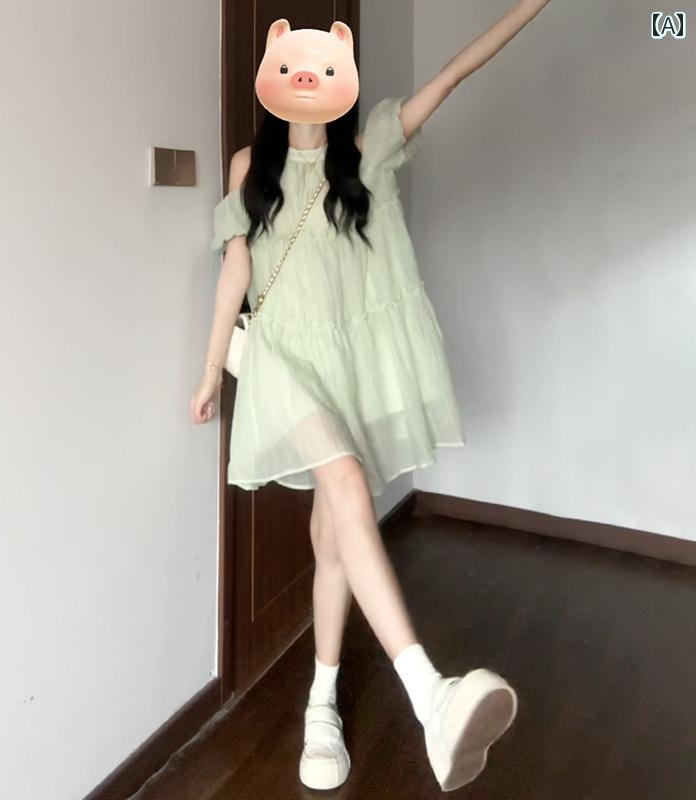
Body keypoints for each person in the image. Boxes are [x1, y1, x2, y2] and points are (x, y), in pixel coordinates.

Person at [191, 1, 552, 792]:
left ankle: (321, 703)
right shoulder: (250, 167)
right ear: (272, 75)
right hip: (285, 363)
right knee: (350, 487)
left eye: (324, 68)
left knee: (332, 536)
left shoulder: (369, 148)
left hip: (352, 365)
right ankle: (431, 697)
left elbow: (453, 74)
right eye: (293, 68)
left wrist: (531, 6)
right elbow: (236, 268)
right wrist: (212, 367)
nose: (308, 80)